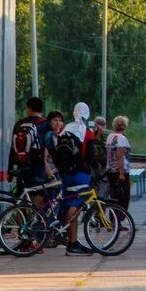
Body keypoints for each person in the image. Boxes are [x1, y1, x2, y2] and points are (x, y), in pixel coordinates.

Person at [45, 106, 93, 256]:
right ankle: (72, 243)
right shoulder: (88, 132)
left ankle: (67, 238)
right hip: (81, 173)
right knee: (76, 205)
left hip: (66, 174)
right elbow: (90, 156)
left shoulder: (66, 129)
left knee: (67, 203)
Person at [8, 97, 50, 207]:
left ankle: (22, 222)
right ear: (41, 109)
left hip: (22, 165)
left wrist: (10, 169)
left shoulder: (19, 123)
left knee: (22, 196)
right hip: (38, 166)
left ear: (29, 108)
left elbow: (13, 147)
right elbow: (50, 146)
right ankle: (34, 221)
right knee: (39, 194)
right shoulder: (45, 124)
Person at [106, 115, 133, 213]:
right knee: (123, 197)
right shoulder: (121, 138)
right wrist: (122, 174)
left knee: (114, 196)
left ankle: (114, 221)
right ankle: (119, 220)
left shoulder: (110, 137)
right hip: (120, 171)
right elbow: (120, 157)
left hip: (111, 171)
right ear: (125, 126)